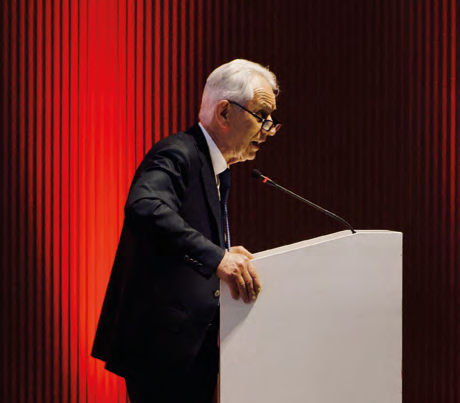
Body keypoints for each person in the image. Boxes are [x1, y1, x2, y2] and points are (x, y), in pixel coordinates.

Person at [91, 59, 281, 402]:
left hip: (190, 351)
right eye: (261, 116)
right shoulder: (178, 152)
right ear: (224, 113)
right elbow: (144, 206)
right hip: (163, 353)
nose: (268, 130)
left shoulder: (214, 166)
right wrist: (217, 257)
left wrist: (223, 253)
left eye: (271, 120)